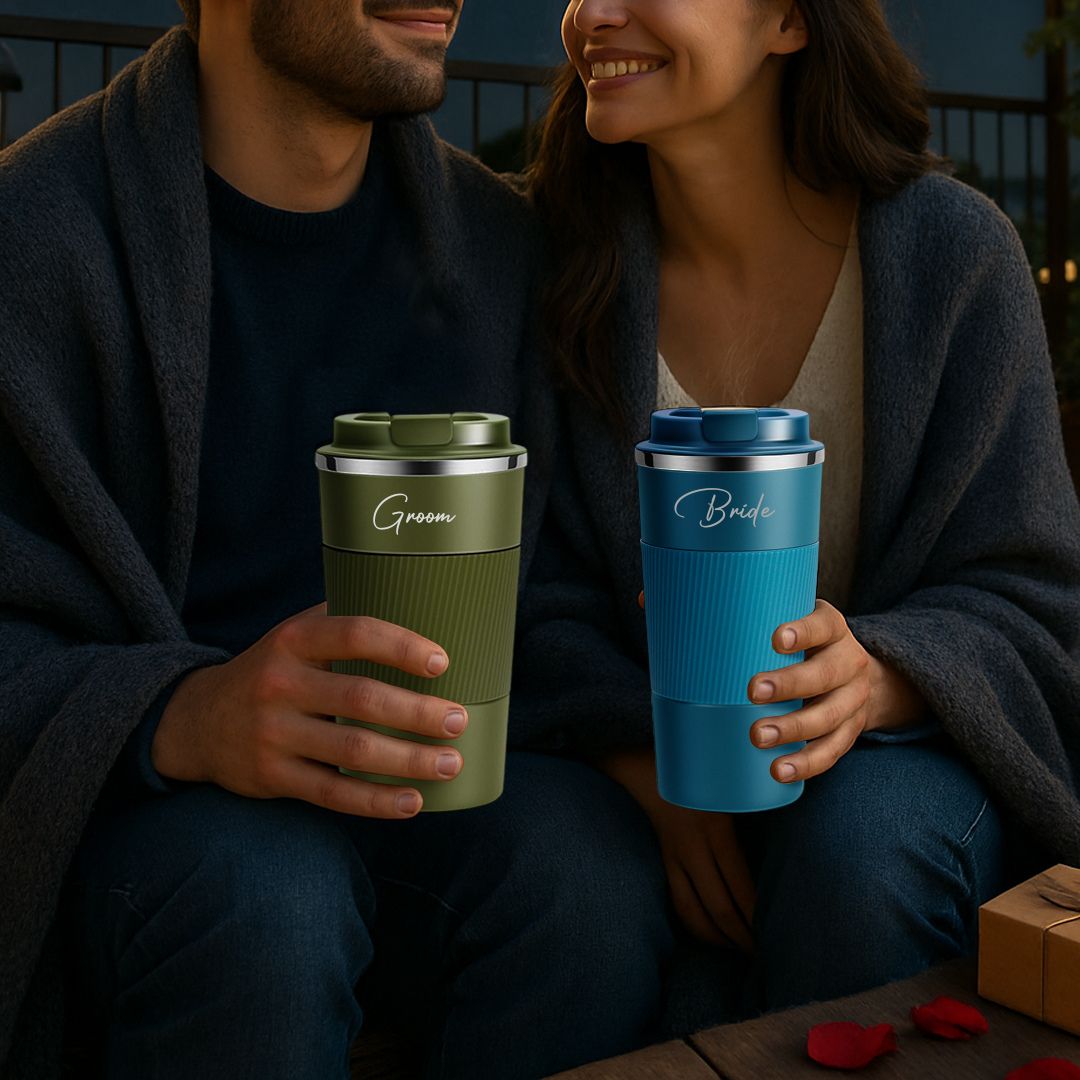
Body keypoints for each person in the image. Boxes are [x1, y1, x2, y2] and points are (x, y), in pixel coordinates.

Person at [0, 2, 676, 1077]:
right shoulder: (36, 234)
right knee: (266, 896)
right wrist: (181, 714)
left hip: (419, 797)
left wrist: (635, 736)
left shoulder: (499, 249)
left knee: (587, 874)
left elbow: (548, 588)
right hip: (145, 829)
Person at [516, 0, 1080, 1032]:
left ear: (788, 20)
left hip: (893, 771)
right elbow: (531, 589)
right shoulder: (552, 268)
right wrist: (643, 758)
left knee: (861, 848)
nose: (593, 14)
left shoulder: (951, 257)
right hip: (625, 763)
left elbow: (1033, 596)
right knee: (571, 880)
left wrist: (880, 676)